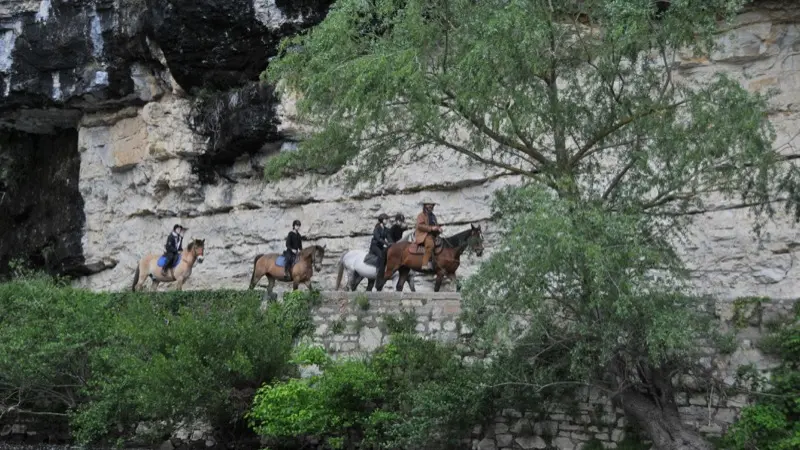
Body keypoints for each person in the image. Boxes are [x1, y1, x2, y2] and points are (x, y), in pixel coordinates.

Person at [415, 199, 442, 271]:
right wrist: (432, 228)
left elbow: (435, 226)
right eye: (428, 204)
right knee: (430, 245)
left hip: (433, 235)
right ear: (425, 206)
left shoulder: (433, 216)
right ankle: (424, 264)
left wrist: (438, 229)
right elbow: (420, 226)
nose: (431, 206)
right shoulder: (421, 215)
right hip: (423, 235)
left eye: (432, 205)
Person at [370, 213, 390, 286]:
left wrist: (392, 244)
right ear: (382, 220)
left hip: (381, 246)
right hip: (375, 246)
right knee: (381, 255)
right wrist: (386, 243)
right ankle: (378, 270)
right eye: (386, 219)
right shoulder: (377, 228)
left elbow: (389, 237)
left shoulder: (386, 229)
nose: (387, 220)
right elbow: (377, 238)